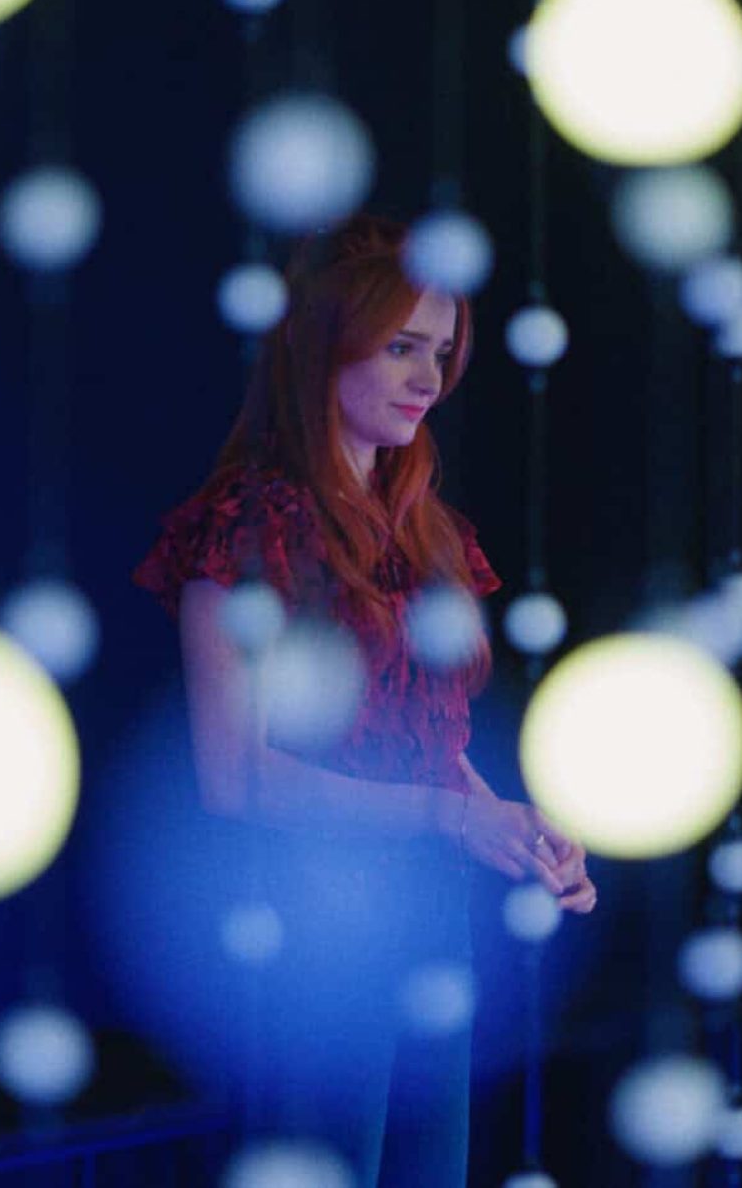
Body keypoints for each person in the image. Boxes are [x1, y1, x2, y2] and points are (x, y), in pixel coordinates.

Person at [133, 214, 596, 1187]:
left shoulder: (428, 534)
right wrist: (449, 816)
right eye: (399, 348)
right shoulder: (250, 525)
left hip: (430, 921)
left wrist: (514, 826)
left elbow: (426, 741)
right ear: (322, 351)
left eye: (440, 352)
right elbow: (233, 775)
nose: (428, 378)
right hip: (309, 931)